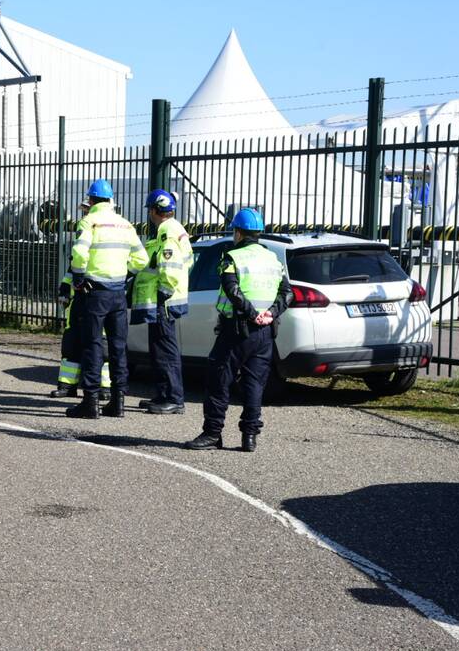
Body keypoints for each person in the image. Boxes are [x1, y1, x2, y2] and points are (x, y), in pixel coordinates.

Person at [184, 208, 291, 452]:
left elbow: (232, 289)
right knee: (254, 384)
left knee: (219, 379)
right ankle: (249, 437)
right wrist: (270, 313)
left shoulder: (232, 258)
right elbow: (288, 293)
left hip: (236, 329)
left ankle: (212, 434)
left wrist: (251, 313)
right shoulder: (273, 260)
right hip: (265, 332)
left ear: (238, 232)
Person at [66, 178, 149, 419]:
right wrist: (126, 276)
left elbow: (79, 253)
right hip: (117, 294)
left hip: (95, 292)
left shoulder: (89, 221)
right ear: (111, 200)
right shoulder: (125, 225)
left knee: (92, 345)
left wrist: (79, 278)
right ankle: (118, 401)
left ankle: (90, 402)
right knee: (118, 347)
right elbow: (141, 259)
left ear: (90, 200)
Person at [131, 189, 192, 414]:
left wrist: (164, 292)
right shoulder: (174, 230)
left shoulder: (167, 231)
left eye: (150, 209)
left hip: (164, 300)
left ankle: (174, 398)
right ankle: (163, 395)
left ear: (156, 209)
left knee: (165, 350)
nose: (149, 214)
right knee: (159, 349)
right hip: (165, 299)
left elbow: (171, 266)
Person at [51, 199, 111, 400]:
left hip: (97, 296)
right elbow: (74, 265)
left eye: (87, 209)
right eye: (84, 210)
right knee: (72, 342)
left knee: (100, 344)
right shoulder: (84, 229)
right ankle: (67, 385)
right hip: (79, 299)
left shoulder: (106, 232)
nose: (85, 213)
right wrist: (66, 286)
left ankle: (104, 388)